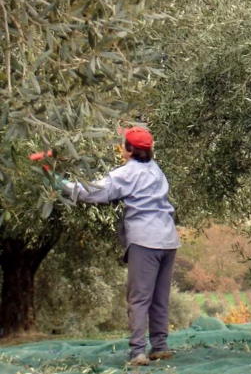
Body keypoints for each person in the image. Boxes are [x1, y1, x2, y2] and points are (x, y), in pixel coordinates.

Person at [60, 127, 181, 366]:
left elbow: (94, 191)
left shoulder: (128, 173)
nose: (119, 146)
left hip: (145, 240)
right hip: (168, 239)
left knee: (138, 298)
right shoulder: (156, 170)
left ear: (129, 149)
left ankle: (137, 352)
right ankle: (160, 346)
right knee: (159, 297)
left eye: (122, 143)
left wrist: (62, 184)